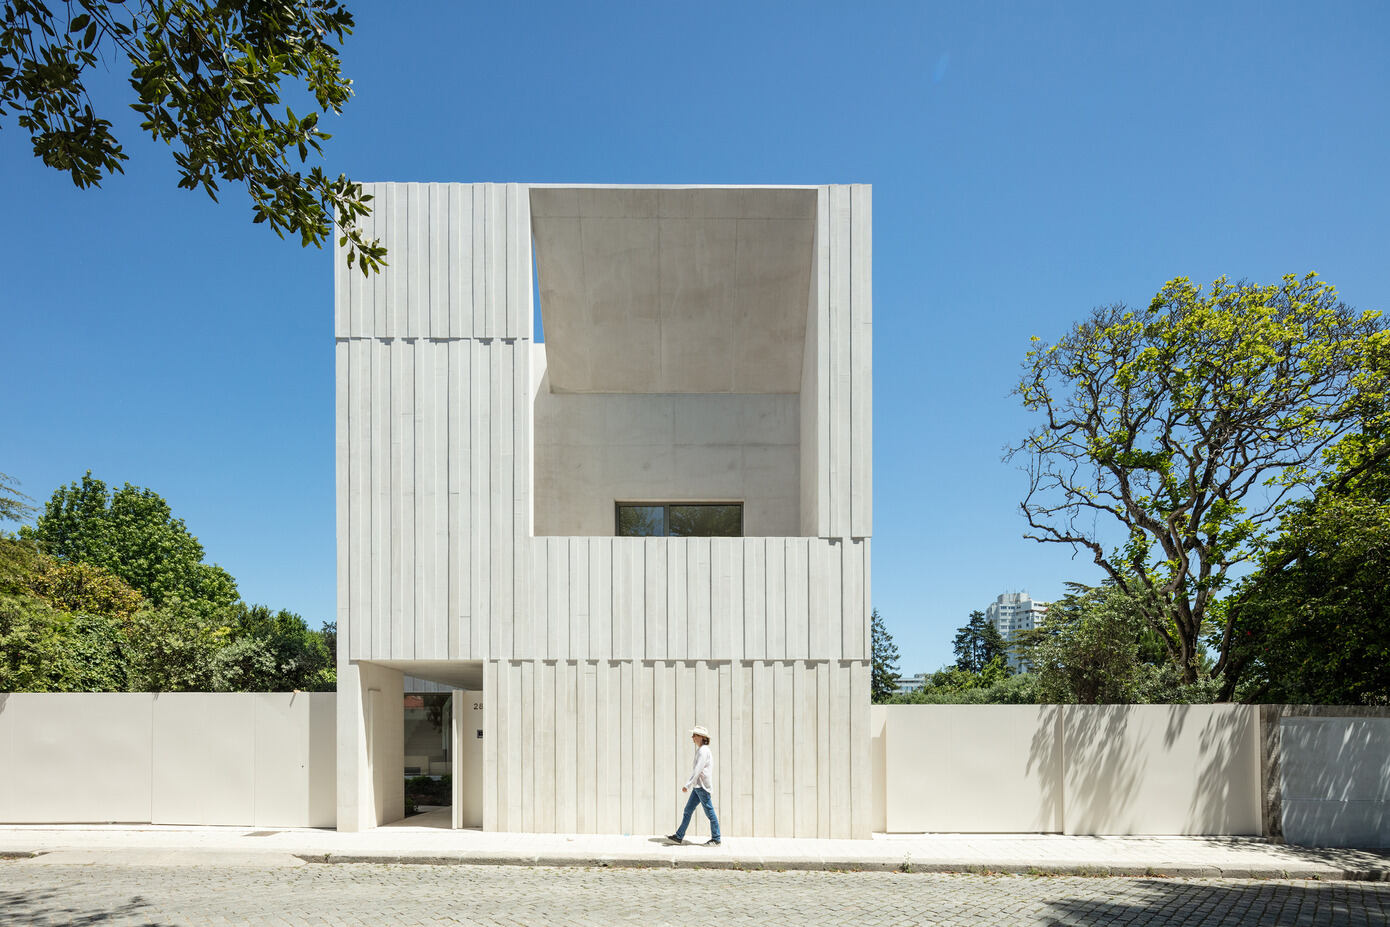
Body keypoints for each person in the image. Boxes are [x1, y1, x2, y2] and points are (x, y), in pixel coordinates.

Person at [667, 725, 722, 846]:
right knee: (688, 810)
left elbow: (698, 769)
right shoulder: (702, 750)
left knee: (709, 812)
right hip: (698, 787)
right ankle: (679, 836)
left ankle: (716, 839)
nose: (692, 737)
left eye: (695, 735)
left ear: (702, 737)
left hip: (702, 787)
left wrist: (687, 784)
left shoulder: (703, 750)